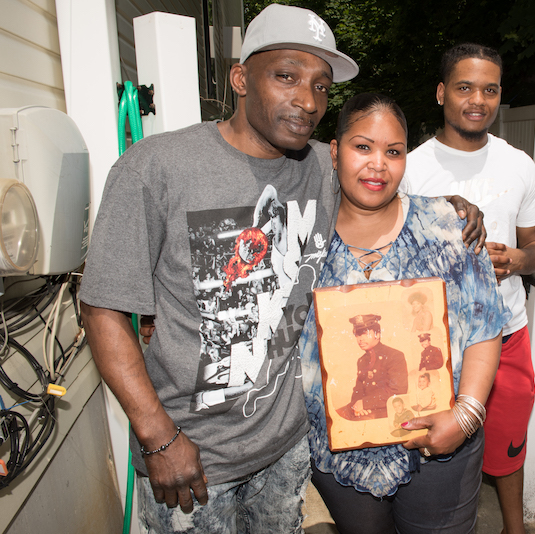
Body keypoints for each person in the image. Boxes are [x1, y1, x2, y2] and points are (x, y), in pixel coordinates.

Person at [79, 4, 360, 532]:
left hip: (286, 446)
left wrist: (455, 208)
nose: (307, 100)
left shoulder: (326, 165)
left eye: (322, 86)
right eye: (286, 76)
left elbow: (388, 189)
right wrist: (157, 436)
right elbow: (103, 310)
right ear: (240, 78)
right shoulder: (155, 167)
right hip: (191, 459)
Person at [299, 93, 510, 534]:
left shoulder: (448, 225)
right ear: (335, 152)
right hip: (343, 456)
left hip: (441, 447)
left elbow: (486, 324)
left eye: (393, 152)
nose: (378, 163)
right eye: (362, 147)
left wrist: (466, 416)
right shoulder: (301, 237)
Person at [401, 43, 535, 534]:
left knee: (508, 444)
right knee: (432, 450)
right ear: (442, 92)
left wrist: (520, 260)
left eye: (489, 89)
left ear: (500, 95)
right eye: (465, 87)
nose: (477, 100)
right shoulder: (411, 168)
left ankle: (515, 527)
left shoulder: (519, 165)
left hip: (507, 335)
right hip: (432, 343)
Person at [337, 314, 408, 420]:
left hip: (384, 409)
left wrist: (365, 404)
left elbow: (397, 391)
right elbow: (358, 390)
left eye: (365, 333)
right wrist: (356, 406)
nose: (360, 339)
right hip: (364, 408)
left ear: (377, 334)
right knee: (335, 415)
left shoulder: (394, 355)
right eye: (357, 335)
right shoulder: (362, 361)